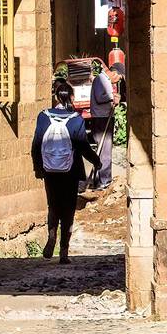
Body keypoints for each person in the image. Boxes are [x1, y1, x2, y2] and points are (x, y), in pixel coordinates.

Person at [31, 78, 101, 263]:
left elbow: (36, 144)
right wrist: (97, 161)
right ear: (71, 97)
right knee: (68, 209)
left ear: (55, 96)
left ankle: (51, 236)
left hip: (50, 171)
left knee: (53, 205)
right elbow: (83, 147)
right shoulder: (76, 120)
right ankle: (64, 251)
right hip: (70, 171)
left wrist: (38, 168)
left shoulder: (43, 116)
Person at [87, 61, 119, 191]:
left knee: (103, 150)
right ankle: (104, 181)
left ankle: (99, 179)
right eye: (118, 77)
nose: (117, 80)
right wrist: (113, 96)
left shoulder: (104, 80)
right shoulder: (101, 79)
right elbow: (100, 97)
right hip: (101, 118)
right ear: (113, 72)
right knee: (105, 151)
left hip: (104, 116)